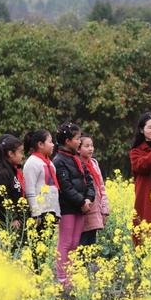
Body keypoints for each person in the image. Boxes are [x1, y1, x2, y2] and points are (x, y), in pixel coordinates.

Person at [53, 122, 95, 286]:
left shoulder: (76, 159)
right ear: (68, 141)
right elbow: (65, 187)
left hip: (80, 208)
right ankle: (63, 278)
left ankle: (70, 276)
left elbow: (89, 180)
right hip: (68, 208)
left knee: (75, 243)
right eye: (77, 138)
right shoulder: (59, 161)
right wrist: (81, 201)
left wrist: (88, 199)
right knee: (65, 243)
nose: (79, 141)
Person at [0, 135, 27, 252]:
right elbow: (4, 199)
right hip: (6, 222)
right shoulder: (2, 173)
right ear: (10, 154)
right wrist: (13, 218)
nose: (22, 156)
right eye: (20, 152)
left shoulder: (12, 171)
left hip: (15, 221)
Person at [23, 129, 61, 234]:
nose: (53, 145)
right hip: (40, 213)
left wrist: (57, 212)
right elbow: (30, 189)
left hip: (51, 211)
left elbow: (54, 190)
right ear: (40, 144)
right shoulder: (32, 163)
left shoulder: (50, 164)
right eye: (50, 141)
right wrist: (35, 213)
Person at [78, 134, 110, 246]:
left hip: (95, 209)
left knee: (92, 242)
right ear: (78, 148)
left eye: (92, 145)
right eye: (87, 146)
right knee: (82, 243)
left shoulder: (94, 163)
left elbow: (101, 187)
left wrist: (104, 210)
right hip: (84, 209)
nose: (90, 148)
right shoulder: (76, 163)